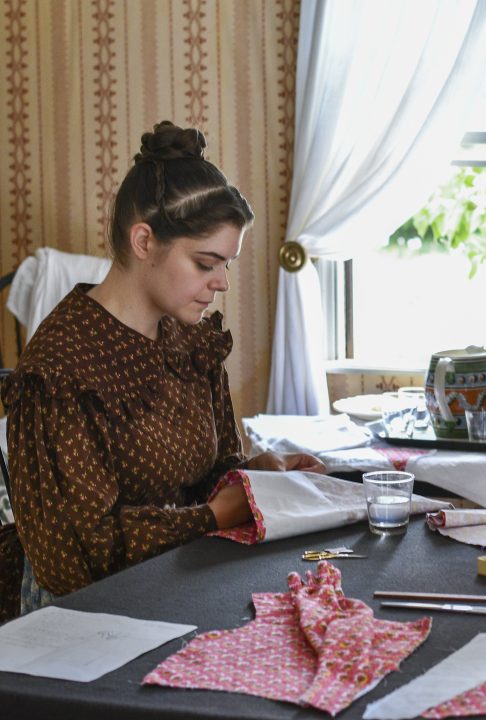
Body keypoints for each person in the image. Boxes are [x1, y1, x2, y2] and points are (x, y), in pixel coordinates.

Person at [0, 121, 325, 619]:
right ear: (144, 241)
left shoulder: (188, 341)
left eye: (227, 265)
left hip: (184, 580)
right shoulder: (62, 372)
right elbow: (80, 559)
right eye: (205, 263)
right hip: (88, 621)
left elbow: (212, 471)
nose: (222, 284)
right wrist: (215, 515)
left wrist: (259, 475)